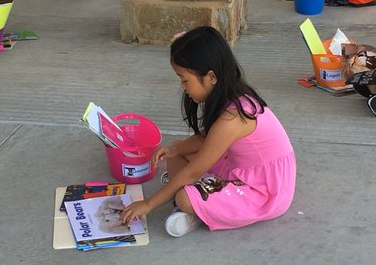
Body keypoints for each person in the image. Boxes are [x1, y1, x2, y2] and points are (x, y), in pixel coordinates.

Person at [121, 26, 296, 238]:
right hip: (242, 167)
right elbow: (207, 137)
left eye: (185, 79)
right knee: (176, 153)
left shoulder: (232, 119)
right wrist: (174, 149)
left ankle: (194, 207)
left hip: (263, 190)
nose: (183, 86)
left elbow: (195, 170)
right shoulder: (231, 98)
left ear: (210, 77)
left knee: (184, 197)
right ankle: (200, 203)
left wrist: (148, 204)